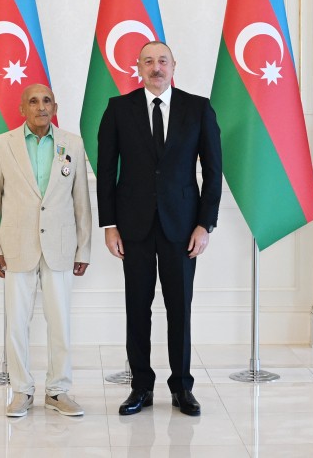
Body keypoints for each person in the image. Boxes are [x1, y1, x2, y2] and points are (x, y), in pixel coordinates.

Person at [97, 42, 222, 417]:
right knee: (137, 308)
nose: (156, 67)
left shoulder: (198, 108)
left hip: (182, 227)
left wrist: (205, 223)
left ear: (174, 66)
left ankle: (182, 387)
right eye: (148, 61)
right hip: (132, 227)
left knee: (179, 308)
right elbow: (106, 172)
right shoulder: (118, 109)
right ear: (138, 68)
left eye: (162, 61)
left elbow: (213, 171)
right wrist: (109, 224)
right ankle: (140, 387)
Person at [0, 84, 92, 417]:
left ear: (54, 106)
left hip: (59, 247)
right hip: (16, 247)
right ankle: (21, 390)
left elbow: (82, 203)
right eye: (33, 101)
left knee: (60, 322)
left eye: (46, 101)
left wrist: (83, 249)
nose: (40, 107)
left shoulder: (72, 144)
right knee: (16, 323)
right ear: (22, 108)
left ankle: (58, 390)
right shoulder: (1, 145)